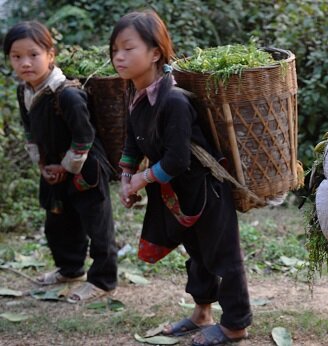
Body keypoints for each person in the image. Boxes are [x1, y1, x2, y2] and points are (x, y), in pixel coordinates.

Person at [110, 10, 251, 345]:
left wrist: (142, 179)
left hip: (205, 190)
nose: (118, 56)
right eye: (114, 49)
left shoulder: (173, 100)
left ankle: (236, 324)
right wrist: (126, 177)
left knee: (223, 256)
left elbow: (175, 160)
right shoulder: (137, 96)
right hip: (179, 194)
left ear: (155, 52)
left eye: (128, 48)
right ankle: (202, 313)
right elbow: (132, 142)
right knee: (197, 254)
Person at [4, 21, 118, 303]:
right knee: (59, 223)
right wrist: (41, 164)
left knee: (97, 224)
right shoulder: (25, 91)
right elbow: (29, 128)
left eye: (33, 54)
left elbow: (84, 135)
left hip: (85, 169)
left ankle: (103, 280)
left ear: (50, 55)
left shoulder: (67, 94)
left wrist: (66, 167)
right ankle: (70, 269)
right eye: (16, 56)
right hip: (52, 169)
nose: (25, 63)